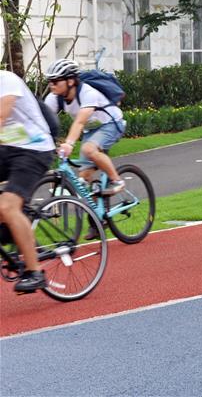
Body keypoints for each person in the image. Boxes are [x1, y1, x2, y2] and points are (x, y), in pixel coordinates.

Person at [0, 70, 55, 293]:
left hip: (33, 150)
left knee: (7, 206)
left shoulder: (7, 81)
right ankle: (8, 230)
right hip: (7, 149)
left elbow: (1, 118)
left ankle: (35, 271)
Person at [44, 59, 126, 195]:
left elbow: (80, 122)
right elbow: (44, 121)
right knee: (84, 179)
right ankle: (96, 215)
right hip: (91, 129)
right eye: (50, 82)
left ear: (70, 81)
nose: (51, 85)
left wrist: (69, 144)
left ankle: (117, 181)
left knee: (88, 149)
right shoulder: (54, 98)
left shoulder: (88, 93)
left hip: (111, 123)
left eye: (55, 81)